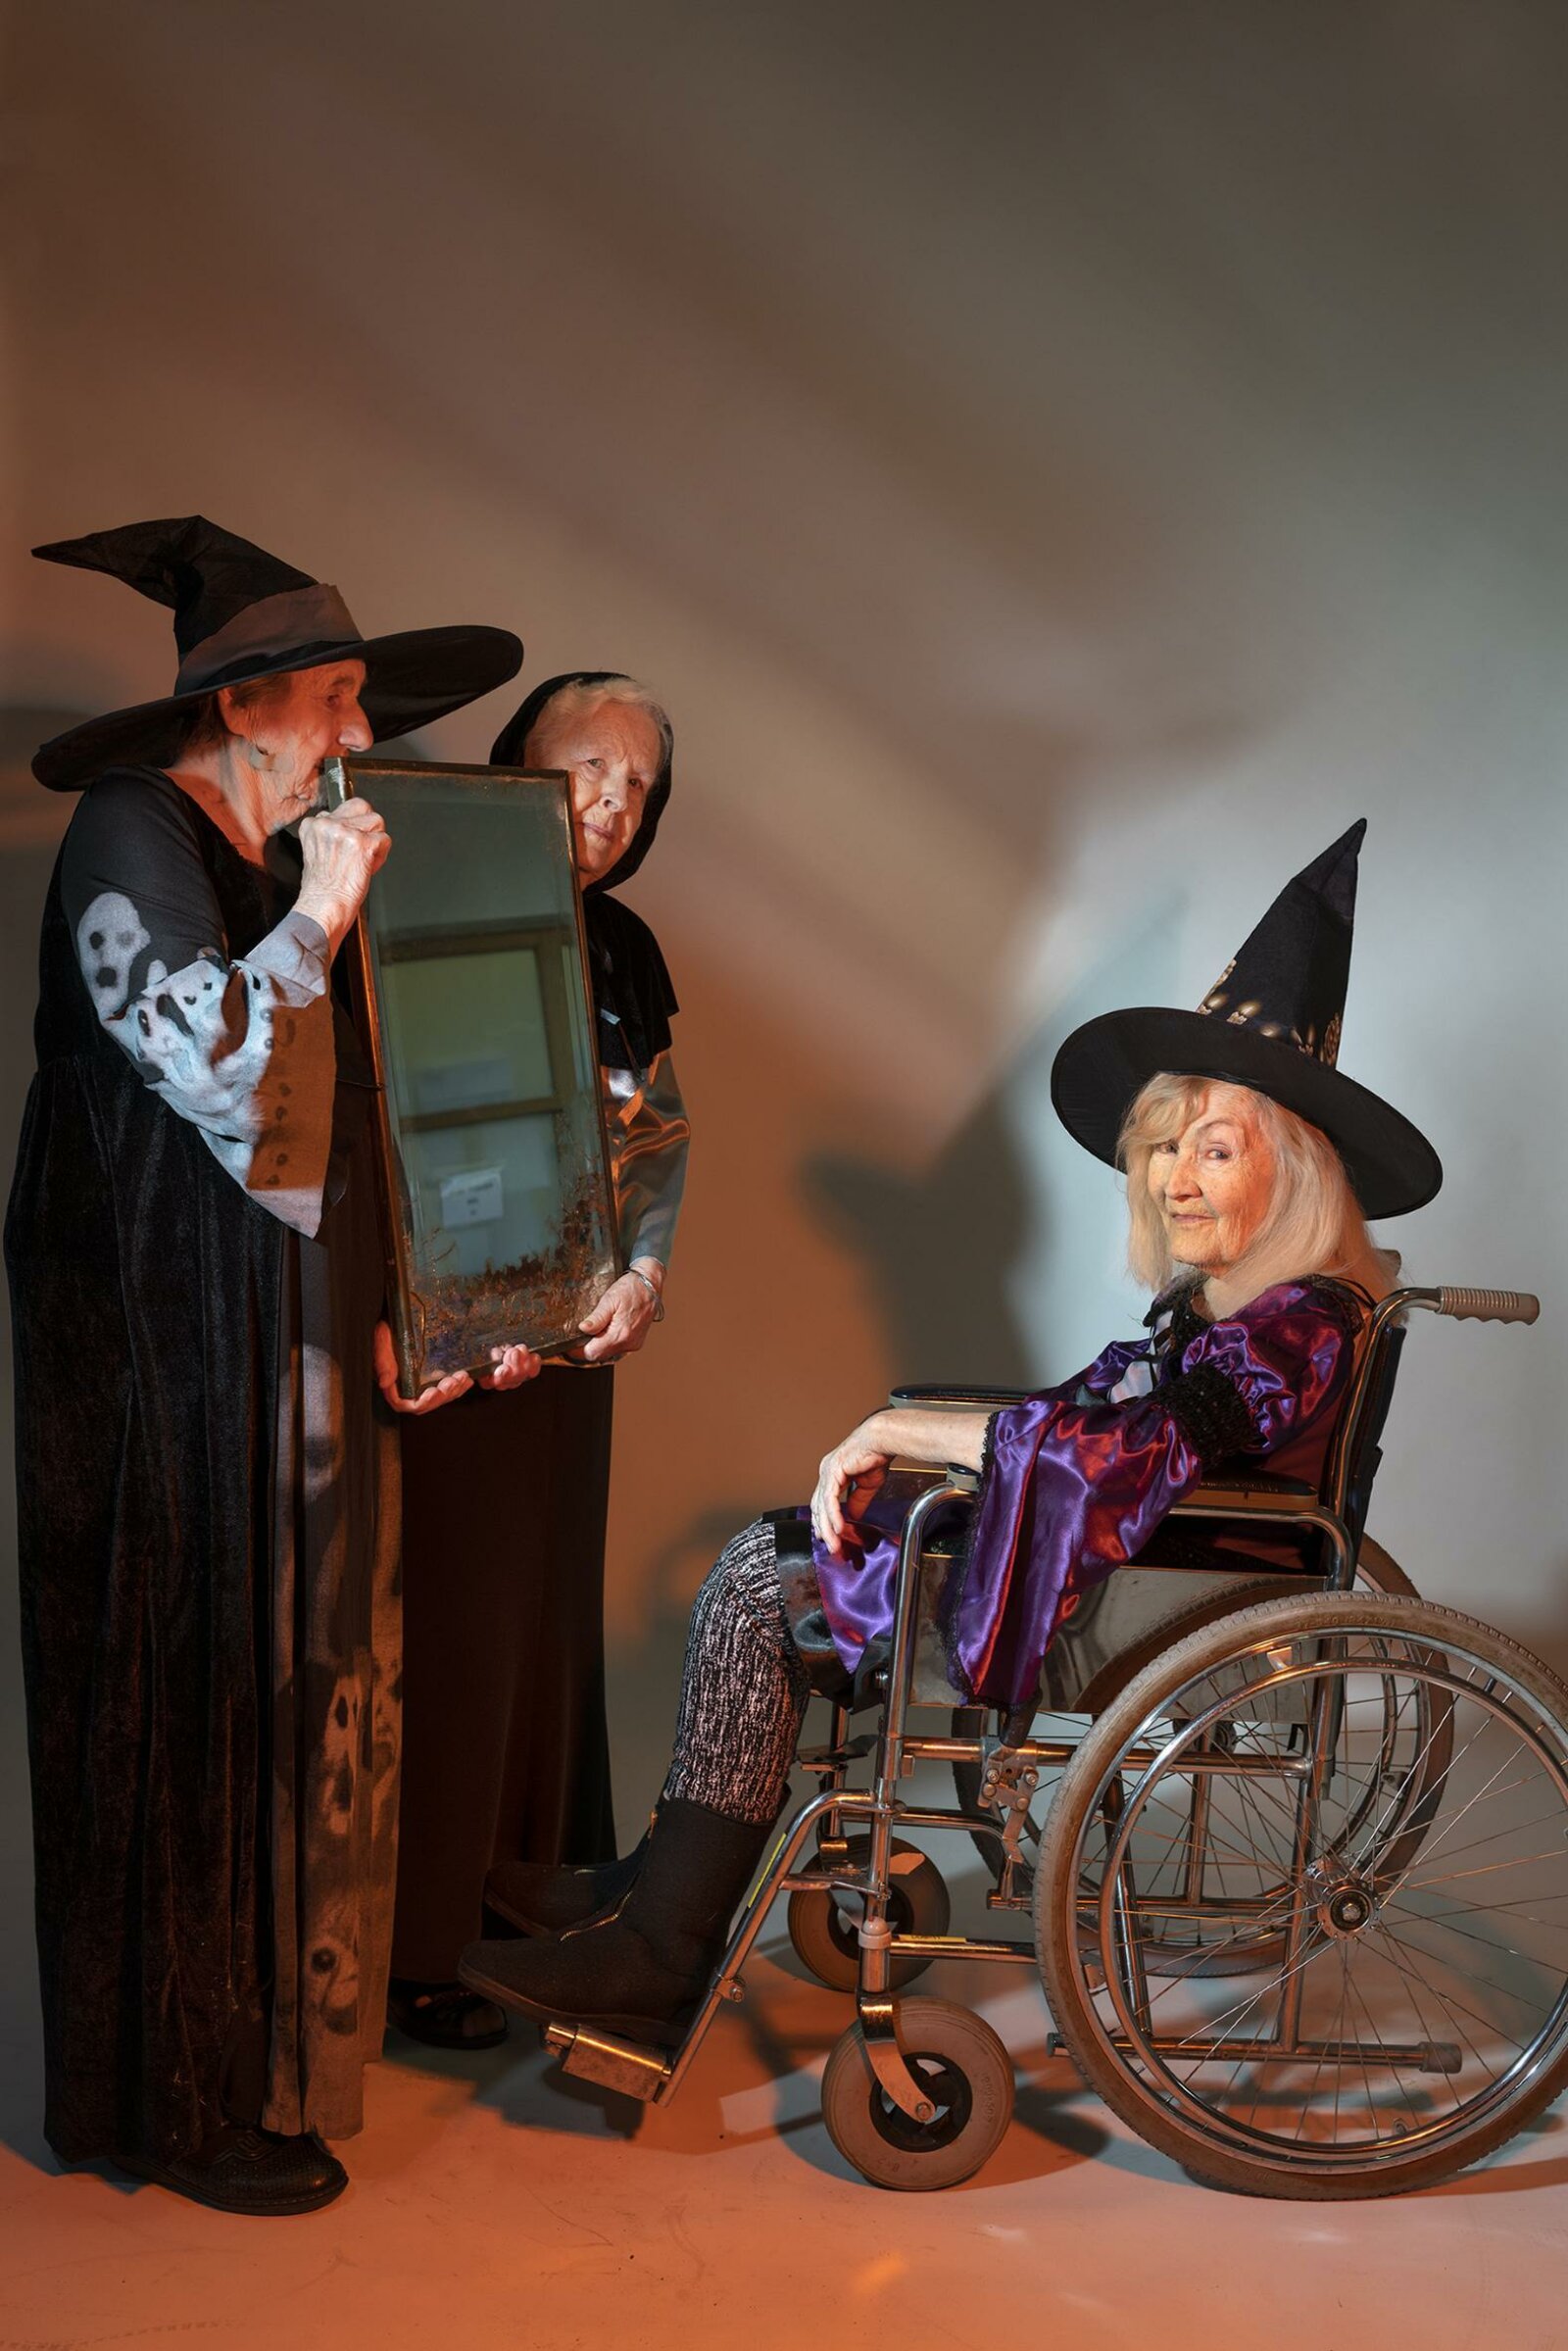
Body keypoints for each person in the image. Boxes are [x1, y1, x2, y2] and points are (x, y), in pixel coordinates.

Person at [458, 819, 1443, 2043]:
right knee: (774, 1560)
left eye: (1214, 1147)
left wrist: (906, 1427)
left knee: (764, 1580)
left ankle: (660, 1936)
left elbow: (1115, 1456)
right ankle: (656, 1886)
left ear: (1292, 1166)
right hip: (1151, 1562)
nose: (1171, 1179)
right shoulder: (1241, 1308)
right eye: (1160, 1149)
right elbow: (1096, 1422)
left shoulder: (1298, 1325)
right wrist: (927, 1432)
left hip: (1167, 1596)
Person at [7, 516, 522, 2214]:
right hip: (161, 1339)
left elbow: (347, 1104)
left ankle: (278, 2056)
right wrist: (319, 909)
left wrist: (400, 1303)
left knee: (300, 1673)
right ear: (237, 705)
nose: (358, 732)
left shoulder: (276, 842)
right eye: (335, 695)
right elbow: (219, 1070)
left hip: (287, 1329)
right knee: (193, 1678)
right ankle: (178, 2092)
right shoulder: (131, 829)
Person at [387, 670, 688, 2047]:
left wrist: (642, 1273)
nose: (614, 802)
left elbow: (653, 1138)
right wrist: (425, 1303)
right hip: (443, 1336)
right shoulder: (418, 897)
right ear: (515, 766)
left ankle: (524, 1920)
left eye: (640, 785)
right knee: (455, 1631)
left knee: (544, 1632)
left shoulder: (620, 944)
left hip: (572, 1334)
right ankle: (419, 1945)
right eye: (590, 768)